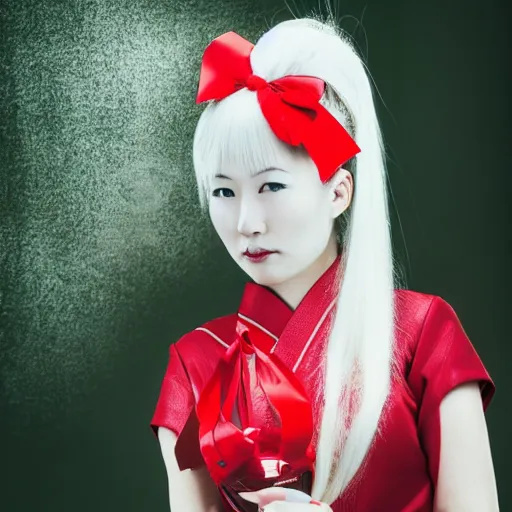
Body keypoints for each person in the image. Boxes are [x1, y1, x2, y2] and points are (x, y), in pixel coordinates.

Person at [149, 16, 499, 512]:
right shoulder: (196, 363)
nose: (247, 221)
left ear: (339, 191)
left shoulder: (424, 335)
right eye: (224, 191)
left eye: (271, 186)